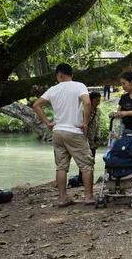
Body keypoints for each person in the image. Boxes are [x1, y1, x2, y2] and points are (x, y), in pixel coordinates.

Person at [33, 63, 95, 207]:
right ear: (71, 74)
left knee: (61, 166)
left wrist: (48, 123)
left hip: (58, 131)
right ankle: (89, 197)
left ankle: (63, 198)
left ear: (59, 75)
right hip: (74, 131)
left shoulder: (53, 89)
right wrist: (85, 123)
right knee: (86, 165)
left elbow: (36, 105)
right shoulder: (79, 86)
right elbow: (87, 103)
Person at [72, 91, 102, 187]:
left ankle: (88, 181)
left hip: (93, 140)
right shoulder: (83, 111)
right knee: (84, 161)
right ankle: (82, 180)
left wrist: (97, 137)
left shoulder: (98, 111)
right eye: (96, 101)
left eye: (99, 101)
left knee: (91, 160)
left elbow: (98, 125)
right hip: (84, 140)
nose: (98, 103)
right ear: (91, 100)